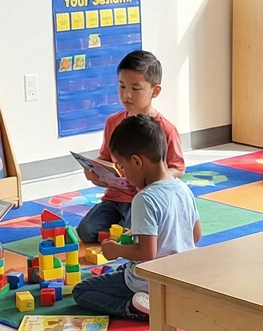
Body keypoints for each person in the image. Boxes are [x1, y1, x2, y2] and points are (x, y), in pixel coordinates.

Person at [72, 114, 201, 320]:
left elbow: (147, 252)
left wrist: (116, 250)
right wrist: (136, 234)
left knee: (82, 291)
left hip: (149, 281)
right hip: (179, 277)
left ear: (137, 162)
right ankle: (163, 300)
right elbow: (195, 235)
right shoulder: (183, 188)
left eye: (122, 167)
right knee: (124, 269)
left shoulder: (144, 198)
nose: (122, 174)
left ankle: (136, 308)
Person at [77, 50, 185, 244]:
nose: (127, 95)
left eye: (136, 88)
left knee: (137, 238)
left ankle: (126, 226)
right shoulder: (113, 122)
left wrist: (155, 180)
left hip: (145, 198)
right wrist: (94, 169)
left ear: (155, 91)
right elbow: (106, 157)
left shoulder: (165, 129)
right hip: (115, 197)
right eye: (121, 86)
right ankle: (121, 224)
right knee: (85, 231)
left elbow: (178, 168)